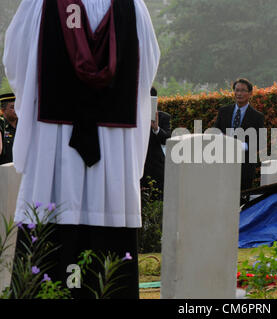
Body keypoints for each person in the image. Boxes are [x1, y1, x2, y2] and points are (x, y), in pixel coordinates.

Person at [4, 0, 160, 298]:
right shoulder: (133, 6)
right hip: (113, 144)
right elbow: (148, 66)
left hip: (55, 138)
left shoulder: (41, 4)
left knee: (49, 220)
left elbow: (15, 58)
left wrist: (37, 97)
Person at [213, 78, 265, 204]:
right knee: (222, 199)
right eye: (237, 90)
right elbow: (215, 131)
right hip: (223, 163)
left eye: (243, 90)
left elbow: (259, 142)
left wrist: (238, 145)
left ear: (250, 93)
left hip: (245, 166)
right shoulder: (223, 111)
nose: (239, 94)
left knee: (241, 202)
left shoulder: (257, 116)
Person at [142, 87, 172, 200]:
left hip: (155, 166)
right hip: (137, 164)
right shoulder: (133, 116)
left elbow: (167, 139)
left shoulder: (163, 117)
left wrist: (156, 129)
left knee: (156, 198)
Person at [0, 93, 17, 165]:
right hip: (5, 172)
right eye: (12, 107)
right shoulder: (1, 126)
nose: (16, 110)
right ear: (3, 110)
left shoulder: (23, 125)